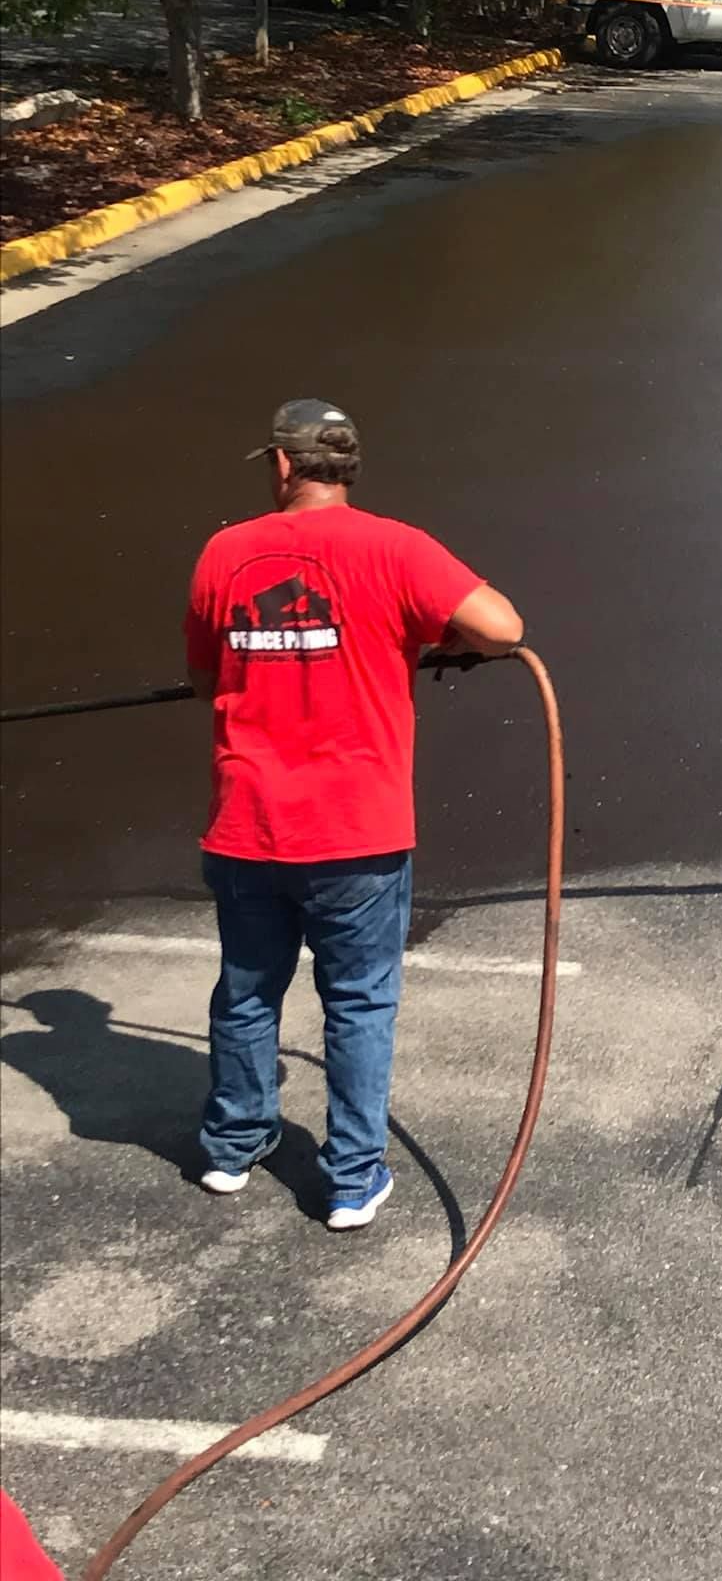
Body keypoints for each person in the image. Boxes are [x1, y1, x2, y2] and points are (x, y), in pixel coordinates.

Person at [184, 399, 524, 1230]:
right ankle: (351, 1180)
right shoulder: (397, 548)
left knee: (247, 992)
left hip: (249, 825)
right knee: (360, 1001)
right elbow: (503, 628)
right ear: (346, 468)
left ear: (282, 466)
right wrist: (434, 641)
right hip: (357, 834)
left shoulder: (227, 552)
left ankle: (233, 1147)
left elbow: (203, 681)